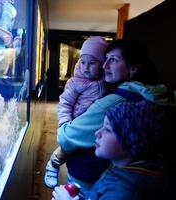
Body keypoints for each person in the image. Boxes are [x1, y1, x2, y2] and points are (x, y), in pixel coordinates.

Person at [56, 39, 171, 192]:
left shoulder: (114, 102)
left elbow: (66, 137)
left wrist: (64, 123)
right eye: (106, 58)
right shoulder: (153, 93)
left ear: (133, 68)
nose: (105, 65)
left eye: (113, 60)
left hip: (89, 176)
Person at [52, 100, 171, 200]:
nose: (97, 133)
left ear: (130, 138)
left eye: (108, 129)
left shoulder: (124, 190)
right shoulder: (130, 172)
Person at [44, 36, 110, 188]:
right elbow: (65, 103)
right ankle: (53, 164)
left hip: (94, 124)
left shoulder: (106, 81)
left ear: (102, 64)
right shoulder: (75, 82)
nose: (86, 67)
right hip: (76, 122)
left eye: (92, 63)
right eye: (83, 62)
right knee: (68, 148)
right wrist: (65, 122)